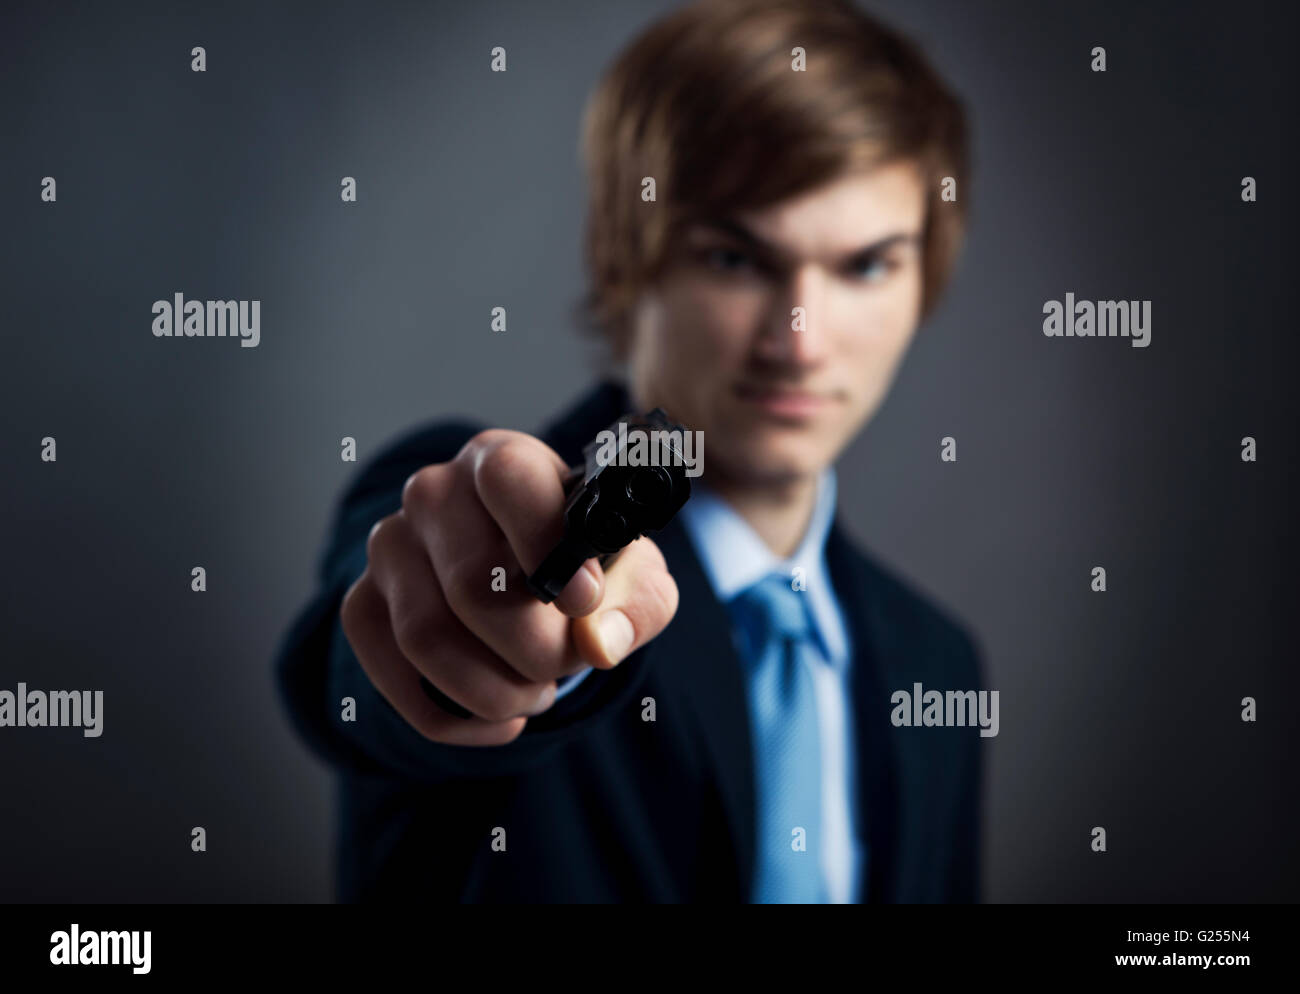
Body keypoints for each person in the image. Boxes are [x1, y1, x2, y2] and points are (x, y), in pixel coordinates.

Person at [276, 0, 983, 903]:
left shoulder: (939, 667)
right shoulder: (481, 510)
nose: (801, 340)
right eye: (734, 259)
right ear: (624, 258)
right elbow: (372, 658)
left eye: (866, 265)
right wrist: (488, 631)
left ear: (928, 277)